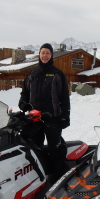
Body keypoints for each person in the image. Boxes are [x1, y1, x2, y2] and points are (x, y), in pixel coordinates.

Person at [18, 43, 71, 180]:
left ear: (52, 55)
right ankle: (37, 177)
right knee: (33, 149)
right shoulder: (32, 74)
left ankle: (59, 178)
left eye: (48, 53)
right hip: (34, 119)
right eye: (43, 53)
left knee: (55, 150)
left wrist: (65, 116)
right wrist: (23, 105)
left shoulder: (57, 74)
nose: (45, 55)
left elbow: (64, 97)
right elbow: (24, 94)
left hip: (52, 118)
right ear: (39, 55)